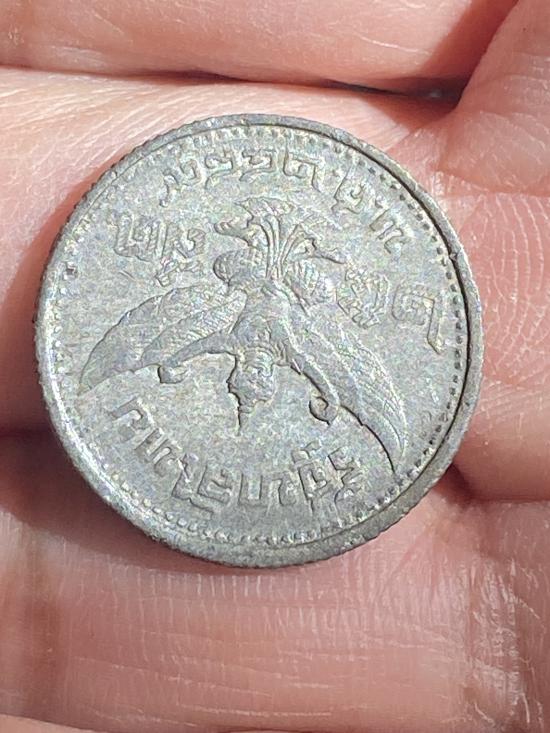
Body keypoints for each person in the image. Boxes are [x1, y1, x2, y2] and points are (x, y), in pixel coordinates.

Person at [0, 0, 549, 731]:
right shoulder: (266, 342)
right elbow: (278, 367)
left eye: (244, 383)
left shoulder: (270, 343)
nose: (248, 384)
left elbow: (309, 374)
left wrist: (280, 349)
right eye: (252, 384)